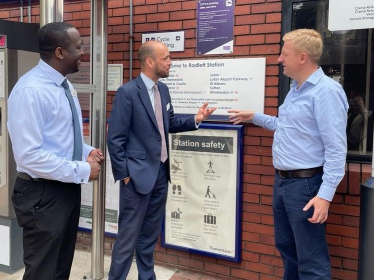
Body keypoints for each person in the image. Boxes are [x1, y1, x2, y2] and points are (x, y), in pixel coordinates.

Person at [228, 29, 348, 279]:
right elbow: (288, 126)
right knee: (287, 248)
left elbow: (337, 150)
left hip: (306, 185)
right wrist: (255, 117)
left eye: (284, 53)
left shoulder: (327, 93)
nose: (279, 59)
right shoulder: (296, 88)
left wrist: (325, 196)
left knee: (310, 259)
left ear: (303, 57)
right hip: (283, 182)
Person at [107, 40, 216, 280]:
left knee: (149, 236)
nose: (170, 62)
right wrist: (124, 175)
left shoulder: (162, 90)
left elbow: (170, 123)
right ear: (150, 61)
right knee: (127, 238)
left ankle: (147, 277)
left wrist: (196, 119)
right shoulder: (127, 92)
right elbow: (115, 139)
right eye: (166, 58)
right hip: (135, 179)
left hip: (160, 174)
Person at [7, 22, 104, 280]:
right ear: (60, 52)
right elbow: (29, 155)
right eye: (79, 47)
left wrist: (86, 151)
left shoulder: (64, 86)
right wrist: (83, 169)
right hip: (41, 194)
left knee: (60, 267)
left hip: (64, 188)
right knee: (43, 272)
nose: (83, 52)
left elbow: (61, 138)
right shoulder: (31, 91)